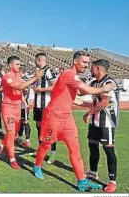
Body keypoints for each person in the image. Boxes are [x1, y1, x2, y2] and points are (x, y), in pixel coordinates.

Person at [32, 51, 115, 192]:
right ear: (75, 61)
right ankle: (37, 166)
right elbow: (87, 89)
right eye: (84, 62)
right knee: (46, 144)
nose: (86, 65)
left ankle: (82, 181)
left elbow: (71, 98)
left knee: (75, 149)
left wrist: (87, 105)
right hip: (53, 117)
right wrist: (104, 88)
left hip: (67, 118)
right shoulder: (68, 74)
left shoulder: (74, 77)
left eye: (88, 63)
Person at [77, 59, 119, 193]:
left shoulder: (109, 82)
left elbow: (104, 103)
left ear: (99, 69)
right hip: (95, 122)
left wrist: (88, 112)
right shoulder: (94, 82)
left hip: (107, 123)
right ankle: (93, 172)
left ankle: (112, 181)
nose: (90, 70)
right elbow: (81, 92)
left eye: (93, 68)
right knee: (93, 146)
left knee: (109, 151)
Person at [0, 56, 43, 169]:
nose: (19, 66)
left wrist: (24, 101)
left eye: (19, 64)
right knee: (12, 133)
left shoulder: (18, 76)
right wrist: (35, 78)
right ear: (10, 65)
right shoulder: (7, 77)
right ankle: (12, 159)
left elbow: (23, 88)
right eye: (17, 64)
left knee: (14, 133)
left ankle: (2, 144)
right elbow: (20, 86)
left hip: (17, 108)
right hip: (8, 108)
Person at [33, 53, 58, 163]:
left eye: (35, 60)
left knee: (49, 129)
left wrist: (41, 90)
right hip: (37, 105)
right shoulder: (38, 71)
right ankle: (41, 150)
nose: (34, 62)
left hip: (47, 105)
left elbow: (55, 86)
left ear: (39, 60)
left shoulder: (48, 70)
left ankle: (53, 153)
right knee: (39, 126)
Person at [17, 67, 34, 147]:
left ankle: (27, 140)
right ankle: (20, 138)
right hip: (20, 104)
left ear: (20, 71)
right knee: (21, 121)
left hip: (23, 104)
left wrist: (20, 89)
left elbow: (26, 90)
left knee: (25, 121)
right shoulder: (22, 79)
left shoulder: (25, 79)